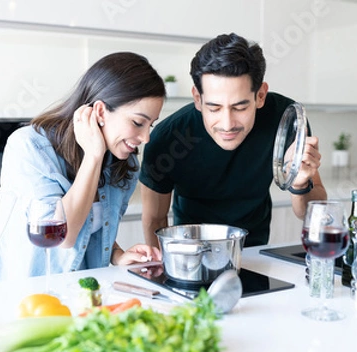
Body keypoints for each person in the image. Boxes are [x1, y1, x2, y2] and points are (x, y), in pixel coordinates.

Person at [0, 52, 165, 284]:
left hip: (73, 292)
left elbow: (93, 227)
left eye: (150, 125)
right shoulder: (30, 146)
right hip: (14, 291)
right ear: (101, 112)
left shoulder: (124, 163)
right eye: (137, 123)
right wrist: (93, 155)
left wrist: (118, 255)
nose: (145, 138)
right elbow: (61, 237)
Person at [139, 33, 327, 248]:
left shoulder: (285, 120)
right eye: (214, 107)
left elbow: (309, 214)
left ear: (260, 96)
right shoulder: (168, 137)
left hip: (255, 250)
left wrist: (300, 182)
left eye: (240, 107)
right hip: (190, 253)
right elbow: (154, 220)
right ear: (198, 99)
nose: (227, 124)